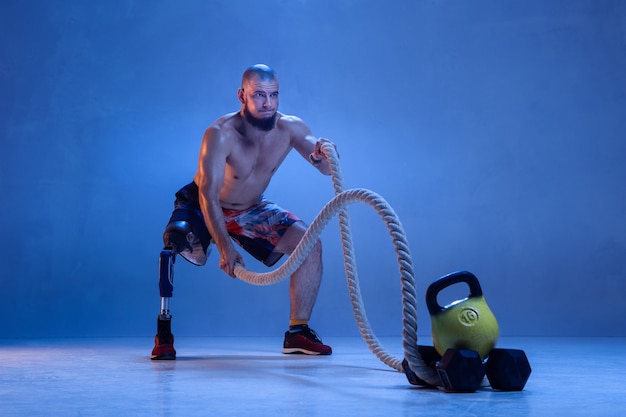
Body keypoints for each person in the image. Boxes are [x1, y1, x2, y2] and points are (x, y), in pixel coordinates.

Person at [151, 64, 336, 360]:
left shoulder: (290, 128)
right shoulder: (220, 133)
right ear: (242, 95)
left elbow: (325, 167)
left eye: (274, 95)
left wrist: (324, 153)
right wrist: (224, 247)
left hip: (250, 208)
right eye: (259, 95)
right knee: (172, 243)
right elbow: (208, 194)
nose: (268, 103)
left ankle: (298, 332)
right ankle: (163, 334)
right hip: (202, 203)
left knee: (310, 245)